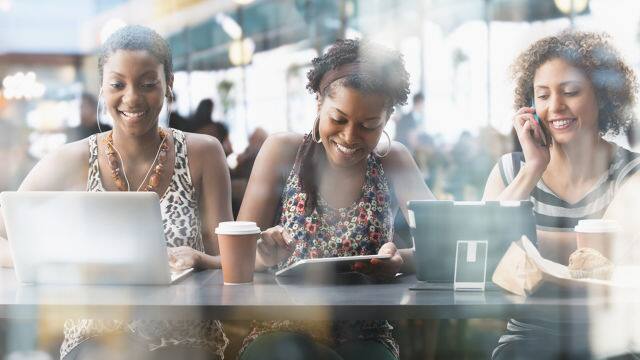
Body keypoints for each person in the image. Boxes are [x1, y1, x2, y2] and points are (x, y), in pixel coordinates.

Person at [0, 25, 232, 359]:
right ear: (102, 89)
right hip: (96, 339)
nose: (132, 97)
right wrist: (41, 261)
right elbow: (7, 232)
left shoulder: (203, 154)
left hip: (184, 336)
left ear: (169, 84)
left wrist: (201, 260)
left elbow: (226, 259)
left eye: (148, 84)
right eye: (117, 84)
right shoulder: (73, 159)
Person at [237, 39, 435, 360]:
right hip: (283, 326)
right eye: (339, 119)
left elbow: (443, 247)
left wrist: (400, 259)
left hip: (366, 331)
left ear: (387, 119)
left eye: (369, 126)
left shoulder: (392, 160)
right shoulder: (282, 151)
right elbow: (237, 255)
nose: (349, 137)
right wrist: (263, 253)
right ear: (318, 103)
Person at [483, 30, 640, 359]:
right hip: (528, 335)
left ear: (604, 96)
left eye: (570, 92)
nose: (555, 107)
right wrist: (533, 168)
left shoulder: (632, 172)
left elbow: (601, 261)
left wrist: (524, 249)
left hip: (609, 338)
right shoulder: (512, 171)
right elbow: (484, 256)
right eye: (542, 95)